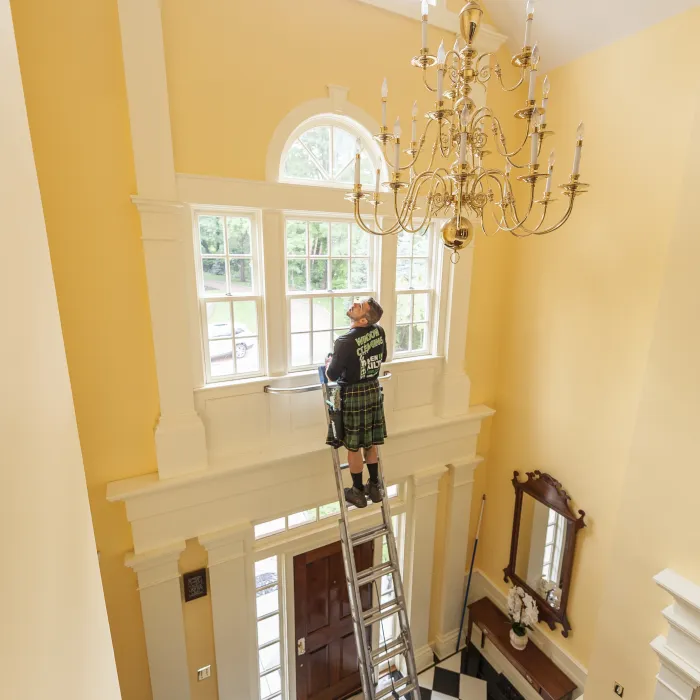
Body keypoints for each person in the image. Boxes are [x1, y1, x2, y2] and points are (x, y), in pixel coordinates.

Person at [325, 297, 387, 508]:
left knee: (354, 448)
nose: (353, 304)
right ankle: (375, 486)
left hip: (353, 394)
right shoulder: (378, 331)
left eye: (358, 306)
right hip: (372, 390)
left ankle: (358, 491)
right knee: (370, 442)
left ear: (362, 321)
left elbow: (331, 375)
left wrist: (329, 363)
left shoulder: (344, 342)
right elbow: (383, 357)